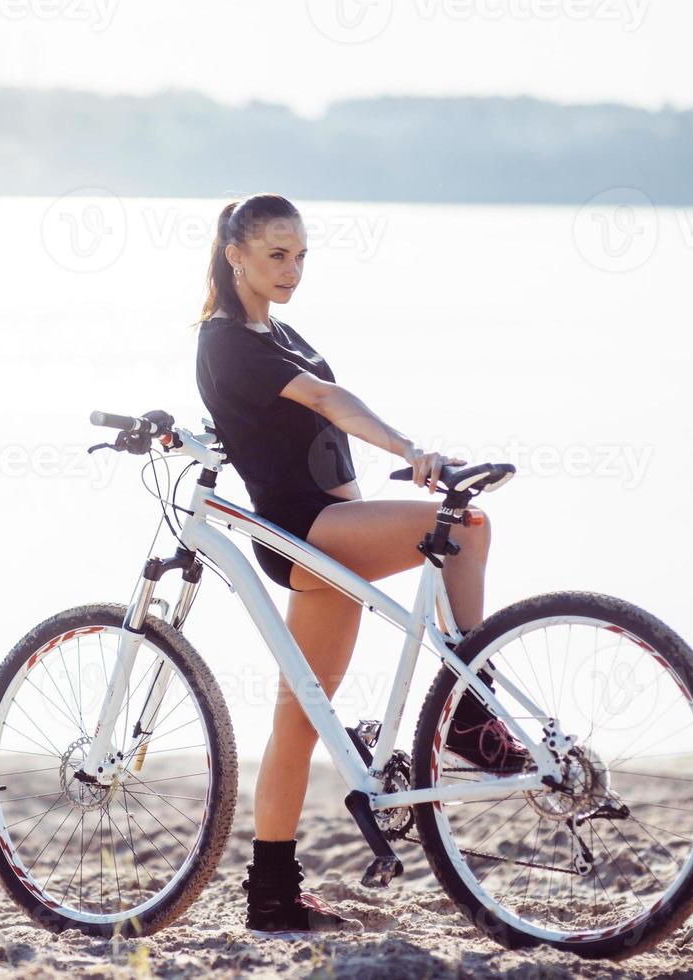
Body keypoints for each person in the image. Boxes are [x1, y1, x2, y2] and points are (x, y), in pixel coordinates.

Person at [192, 194, 527, 935]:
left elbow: (287, 424)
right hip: (306, 530)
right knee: (465, 526)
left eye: (302, 255)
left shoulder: (277, 332)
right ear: (235, 254)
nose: (292, 269)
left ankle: (272, 896)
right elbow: (326, 399)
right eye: (277, 254)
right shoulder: (226, 343)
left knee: (298, 718)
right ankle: (470, 716)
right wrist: (411, 451)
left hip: (332, 535)